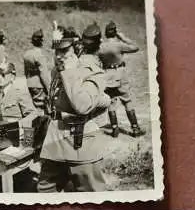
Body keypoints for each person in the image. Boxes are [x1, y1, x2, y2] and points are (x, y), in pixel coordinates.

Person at [37, 23, 111, 193]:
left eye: (64, 51)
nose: (58, 56)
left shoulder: (92, 72)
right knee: (45, 190)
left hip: (81, 143)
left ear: (77, 49)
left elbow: (82, 106)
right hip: (55, 141)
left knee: (90, 195)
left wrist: (69, 72)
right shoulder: (57, 72)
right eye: (56, 51)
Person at [98, 21, 145, 138]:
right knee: (127, 101)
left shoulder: (101, 46)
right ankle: (135, 129)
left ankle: (115, 129)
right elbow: (136, 47)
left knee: (111, 102)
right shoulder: (119, 45)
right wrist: (122, 36)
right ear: (115, 32)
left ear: (106, 33)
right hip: (120, 76)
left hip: (107, 76)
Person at [23, 29, 52, 115]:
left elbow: (25, 71)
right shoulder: (40, 55)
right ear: (41, 42)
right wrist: (49, 89)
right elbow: (44, 74)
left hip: (30, 83)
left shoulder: (27, 54)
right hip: (39, 85)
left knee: (35, 107)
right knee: (42, 108)